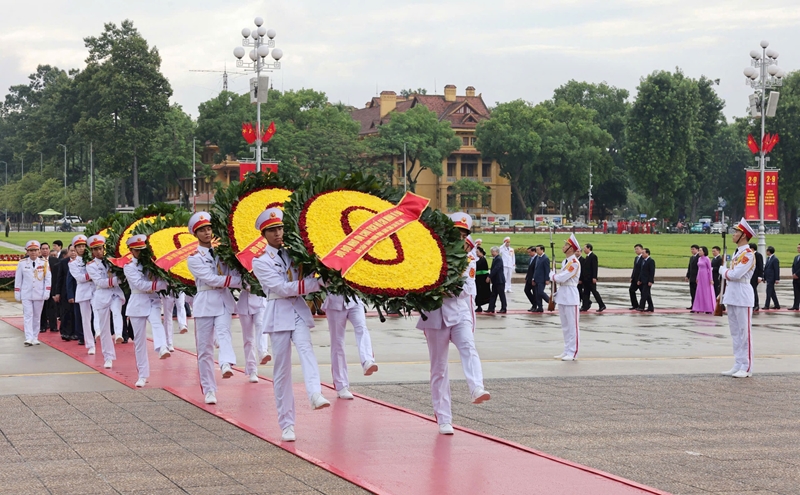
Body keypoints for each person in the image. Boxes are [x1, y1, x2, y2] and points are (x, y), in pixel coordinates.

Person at [252, 207, 330, 442]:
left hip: (297, 310)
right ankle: (287, 424)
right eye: (272, 230)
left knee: (307, 350)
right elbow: (282, 288)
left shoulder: (293, 253)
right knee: (282, 371)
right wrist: (315, 284)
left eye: (280, 228)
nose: (278, 233)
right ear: (263, 235)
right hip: (278, 313)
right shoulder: (261, 261)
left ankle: (315, 393)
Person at [416, 212, 490, 435]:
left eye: (463, 234)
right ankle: (444, 418)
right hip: (435, 316)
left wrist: (445, 285)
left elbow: (466, 287)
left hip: (458, 313)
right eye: (456, 232)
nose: (460, 237)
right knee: (439, 368)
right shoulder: (431, 252)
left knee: (468, 346)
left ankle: (477, 387)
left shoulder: (469, 259)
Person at [186, 211, 242, 405]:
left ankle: (226, 363)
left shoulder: (222, 253)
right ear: (196, 234)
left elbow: (233, 270)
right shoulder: (194, 257)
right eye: (202, 230)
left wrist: (241, 279)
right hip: (205, 301)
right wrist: (235, 281)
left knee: (225, 332)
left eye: (209, 229)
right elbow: (209, 278)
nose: (207, 233)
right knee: (204, 349)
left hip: (223, 300)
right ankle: (209, 389)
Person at [123, 234, 171, 388]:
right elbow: (140, 285)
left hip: (153, 301)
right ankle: (142, 375)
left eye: (142, 250)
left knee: (157, 322)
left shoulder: (153, 263)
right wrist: (162, 285)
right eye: (136, 250)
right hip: (138, 302)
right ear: (131, 250)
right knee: (139, 342)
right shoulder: (129, 267)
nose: (140, 253)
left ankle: (162, 347)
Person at [322, 292, 379, 400]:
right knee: (337, 343)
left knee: (362, 328)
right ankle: (341, 386)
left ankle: (367, 361)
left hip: (355, 299)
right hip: (335, 302)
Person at [719, 219, 756, 378]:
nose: (734, 235)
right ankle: (738, 363)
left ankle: (747, 367)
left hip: (742, 294)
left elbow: (735, 274)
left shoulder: (748, 254)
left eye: (736, 232)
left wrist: (722, 271)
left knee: (744, 332)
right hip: (733, 294)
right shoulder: (737, 253)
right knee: (735, 332)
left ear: (743, 236)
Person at [86, 235, 125, 369]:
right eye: (95, 249)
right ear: (92, 252)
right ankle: (108, 357)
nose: (98, 252)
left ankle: (119, 334)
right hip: (102, 296)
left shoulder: (112, 261)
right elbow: (100, 282)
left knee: (116, 312)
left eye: (100, 248)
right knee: (104, 329)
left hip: (115, 293)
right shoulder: (91, 266)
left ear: (104, 248)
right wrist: (117, 280)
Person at [550, 234, 581, 361]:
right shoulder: (565, 262)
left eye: (566, 245)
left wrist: (553, 276)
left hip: (570, 294)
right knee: (565, 326)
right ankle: (567, 350)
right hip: (563, 294)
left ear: (571, 248)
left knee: (573, 326)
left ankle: (573, 352)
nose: (564, 247)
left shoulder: (574, 263)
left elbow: (562, 277)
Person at [14, 240, 51, 346]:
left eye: (35, 250)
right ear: (27, 251)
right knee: (28, 315)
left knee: (36, 316)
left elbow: (48, 278)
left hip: (39, 293)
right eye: (31, 250)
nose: (33, 252)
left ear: (38, 251)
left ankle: (35, 337)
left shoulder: (44, 263)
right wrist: (17, 292)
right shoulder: (22, 263)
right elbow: (18, 279)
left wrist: (46, 291)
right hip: (26, 293)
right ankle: (28, 337)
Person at [68, 235, 96, 353]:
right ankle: (90, 344)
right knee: (86, 319)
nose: (81, 249)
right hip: (83, 291)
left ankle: (98, 335)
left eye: (83, 246)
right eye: (79, 246)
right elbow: (79, 277)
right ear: (75, 248)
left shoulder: (92, 259)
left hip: (95, 290)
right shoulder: (73, 263)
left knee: (99, 315)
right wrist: (93, 275)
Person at [236, 281, 268, 384]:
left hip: (260, 301)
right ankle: (252, 370)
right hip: (244, 304)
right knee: (248, 339)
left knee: (261, 325)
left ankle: (263, 351)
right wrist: (243, 285)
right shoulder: (240, 267)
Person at [39, 243, 61, 333]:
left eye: (46, 248)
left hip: (52, 287)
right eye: (43, 249)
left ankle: (53, 326)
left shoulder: (55, 260)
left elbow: (58, 275)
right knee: (42, 308)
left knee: (53, 307)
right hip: (41, 288)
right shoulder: (38, 261)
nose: (45, 250)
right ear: (40, 250)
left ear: (49, 249)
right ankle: (43, 326)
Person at [580, 243, 606, 313]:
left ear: (589, 248)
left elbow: (595, 268)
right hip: (586, 279)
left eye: (585, 248)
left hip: (591, 279)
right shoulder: (587, 257)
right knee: (586, 293)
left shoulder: (593, 256)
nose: (584, 249)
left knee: (594, 292)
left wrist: (594, 277)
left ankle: (602, 305)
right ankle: (585, 306)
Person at [691, 247, 716, 314]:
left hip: (706, 276)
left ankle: (708, 308)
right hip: (700, 275)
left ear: (704, 251)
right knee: (699, 291)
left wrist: (711, 279)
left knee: (706, 292)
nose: (699, 252)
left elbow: (710, 269)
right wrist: (697, 277)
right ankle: (699, 307)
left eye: (700, 250)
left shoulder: (707, 259)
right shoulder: (699, 259)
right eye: (699, 250)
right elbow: (699, 269)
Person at [487, 247, 507, 313]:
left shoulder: (498, 259)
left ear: (497, 252)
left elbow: (496, 269)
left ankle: (504, 308)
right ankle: (491, 308)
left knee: (501, 295)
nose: (492, 253)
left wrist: (489, 276)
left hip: (499, 280)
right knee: (493, 294)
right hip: (495, 280)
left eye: (493, 252)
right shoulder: (495, 259)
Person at [533, 245, 550, 312]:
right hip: (537, 278)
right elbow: (536, 269)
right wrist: (533, 278)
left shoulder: (545, 258)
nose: (537, 251)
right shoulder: (538, 257)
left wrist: (547, 279)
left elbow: (547, 270)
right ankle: (540, 307)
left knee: (540, 292)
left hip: (542, 279)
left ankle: (550, 301)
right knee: (537, 294)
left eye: (538, 250)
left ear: (542, 250)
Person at [762, 246, 780, 310]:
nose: (766, 252)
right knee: (772, 292)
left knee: (768, 292)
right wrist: (764, 278)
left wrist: (777, 279)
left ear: (769, 251)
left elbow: (776, 270)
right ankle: (777, 305)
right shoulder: (768, 258)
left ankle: (767, 305)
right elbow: (766, 269)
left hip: (772, 278)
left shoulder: (775, 259)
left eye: (767, 251)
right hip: (768, 277)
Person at [474, 247, 490, 312]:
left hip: (482, 279)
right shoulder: (480, 260)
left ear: (481, 252)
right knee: (479, 293)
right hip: (479, 279)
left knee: (483, 293)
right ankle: (479, 306)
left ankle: (481, 306)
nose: (476, 253)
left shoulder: (483, 260)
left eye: (477, 252)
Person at [749, 243, 764, 312]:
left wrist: (760, 276)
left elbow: (760, 266)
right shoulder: (751, 255)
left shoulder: (758, 255)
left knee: (753, 290)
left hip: (755, 276)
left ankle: (756, 305)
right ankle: (752, 304)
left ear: (752, 248)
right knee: (751, 290)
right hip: (751, 276)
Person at [629, 244, 644, 310]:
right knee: (631, 290)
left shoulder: (643, 258)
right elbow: (635, 269)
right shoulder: (636, 258)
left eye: (637, 249)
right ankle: (635, 305)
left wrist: (640, 279)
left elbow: (642, 270)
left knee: (644, 293)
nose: (636, 250)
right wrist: (632, 277)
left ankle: (643, 306)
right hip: (635, 278)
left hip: (640, 279)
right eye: (635, 249)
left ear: (641, 249)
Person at [523, 246, 537, 312]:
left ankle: (535, 306)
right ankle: (533, 303)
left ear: (534, 251)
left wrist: (534, 278)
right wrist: (526, 277)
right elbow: (529, 270)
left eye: (530, 252)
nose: (529, 254)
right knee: (526, 290)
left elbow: (536, 270)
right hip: (529, 278)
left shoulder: (537, 259)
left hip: (534, 279)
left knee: (535, 293)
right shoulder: (531, 259)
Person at [685, 245, 699, 309]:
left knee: (697, 293)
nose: (692, 251)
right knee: (692, 292)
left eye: (693, 249)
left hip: (697, 278)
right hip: (692, 278)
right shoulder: (692, 257)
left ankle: (697, 305)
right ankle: (693, 305)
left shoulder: (699, 257)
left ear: (697, 250)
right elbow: (689, 267)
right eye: (691, 249)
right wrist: (687, 276)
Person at [790, 243, 800, 311]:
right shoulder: (796, 257)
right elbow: (793, 266)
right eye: (798, 248)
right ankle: (795, 306)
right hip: (795, 278)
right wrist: (793, 274)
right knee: (796, 293)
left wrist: (797, 274)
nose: (798, 249)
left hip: (799, 276)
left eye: (799, 248)